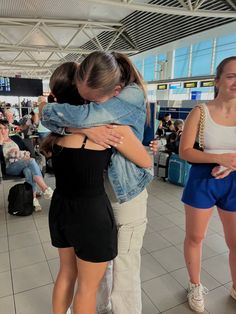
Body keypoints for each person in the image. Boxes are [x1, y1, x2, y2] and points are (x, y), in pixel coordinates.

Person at [40, 51, 154, 314]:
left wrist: (72, 124)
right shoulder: (103, 128)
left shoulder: (129, 97)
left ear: (114, 91)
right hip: (96, 203)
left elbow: (52, 113)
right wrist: (80, 128)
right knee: (95, 282)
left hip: (115, 198)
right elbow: (50, 113)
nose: (92, 110)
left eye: (95, 103)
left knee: (114, 273)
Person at [179, 56, 236, 313]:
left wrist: (231, 164)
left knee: (235, 241)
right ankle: (195, 285)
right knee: (196, 237)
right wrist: (219, 157)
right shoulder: (200, 112)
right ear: (217, 81)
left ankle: (235, 286)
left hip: (234, 181)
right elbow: (185, 151)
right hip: (203, 179)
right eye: (231, 76)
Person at [0, 119, 53, 211]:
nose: (3, 131)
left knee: (29, 170)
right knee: (31, 161)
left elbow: (26, 150)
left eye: (5, 128)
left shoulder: (15, 138)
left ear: (8, 129)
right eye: (0, 128)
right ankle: (45, 189)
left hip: (23, 163)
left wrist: (25, 154)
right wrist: (0, 142)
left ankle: (33, 199)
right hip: (10, 167)